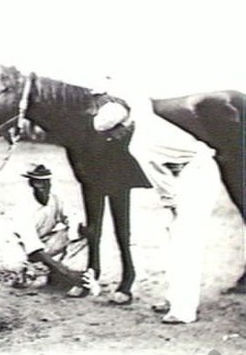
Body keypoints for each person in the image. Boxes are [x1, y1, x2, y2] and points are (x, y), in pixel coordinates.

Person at [93, 93, 221, 324]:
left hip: (198, 174)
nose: (111, 138)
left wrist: (173, 207)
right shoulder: (144, 119)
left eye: (111, 133)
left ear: (121, 127)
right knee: (174, 239)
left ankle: (184, 310)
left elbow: (163, 185)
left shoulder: (140, 144)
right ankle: (173, 299)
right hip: (186, 172)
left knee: (186, 242)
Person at [8, 164, 88, 290]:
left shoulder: (55, 198)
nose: (44, 185)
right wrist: (64, 272)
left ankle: (62, 273)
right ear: (32, 183)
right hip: (20, 250)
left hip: (45, 243)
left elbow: (72, 218)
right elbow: (33, 248)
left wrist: (76, 228)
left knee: (82, 233)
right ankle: (56, 273)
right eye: (39, 182)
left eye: (46, 181)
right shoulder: (23, 206)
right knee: (24, 281)